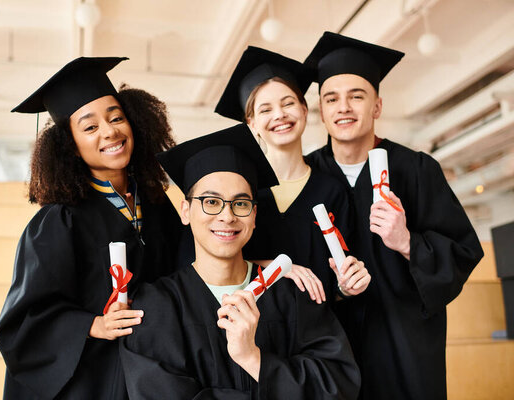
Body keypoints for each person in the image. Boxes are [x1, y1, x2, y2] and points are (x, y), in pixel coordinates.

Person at [120, 123, 361, 399]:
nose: (227, 216)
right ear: (186, 211)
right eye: (211, 202)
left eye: (241, 203)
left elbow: (338, 384)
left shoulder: (291, 296)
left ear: (254, 215)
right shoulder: (156, 306)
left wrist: (254, 359)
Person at [305, 32, 484, 400]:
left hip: (405, 344)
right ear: (321, 111)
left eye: (357, 96)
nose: (344, 108)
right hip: (335, 346)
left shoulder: (417, 170)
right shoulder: (308, 177)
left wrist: (407, 243)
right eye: (331, 99)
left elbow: (463, 251)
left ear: (377, 106)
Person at [0, 57, 182, 399]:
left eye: (116, 118)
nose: (110, 132)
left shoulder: (156, 203)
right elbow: (26, 319)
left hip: (153, 370)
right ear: (71, 146)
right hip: (90, 380)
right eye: (90, 127)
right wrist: (93, 325)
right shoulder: (58, 221)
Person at [214, 46, 370, 303]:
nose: (279, 115)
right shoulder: (240, 188)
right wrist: (277, 266)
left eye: (288, 104)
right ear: (251, 123)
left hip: (319, 329)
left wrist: (348, 286)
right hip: (251, 326)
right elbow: (213, 257)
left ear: (305, 111)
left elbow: (339, 283)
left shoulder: (332, 190)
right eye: (265, 110)